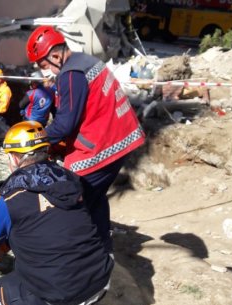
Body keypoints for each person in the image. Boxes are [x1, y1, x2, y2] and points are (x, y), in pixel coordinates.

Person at [0, 121, 113, 305]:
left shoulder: (8, 197)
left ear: (14, 158)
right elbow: (47, 224)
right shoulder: (72, 179)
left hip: (61, 295)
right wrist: (5, 246)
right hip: (101, 279)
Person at [26, 26, 146, 252]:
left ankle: (77, 252)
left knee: (74, 199)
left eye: (43, 66)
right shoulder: (83, 61)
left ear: (55, 55)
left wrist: (35, 140)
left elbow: (64, 124)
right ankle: (102, 245)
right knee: (95, 197)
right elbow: (80, 112)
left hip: (103, 143)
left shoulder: (71, 74)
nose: (44, 72)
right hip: (120, 135)